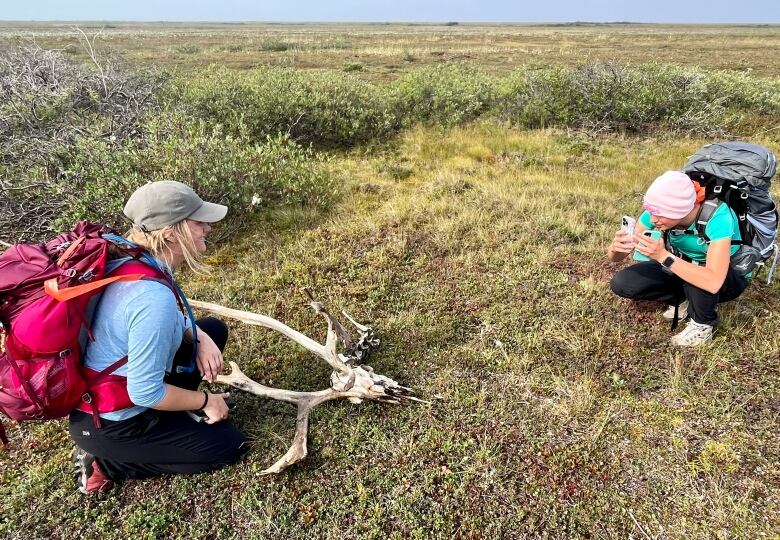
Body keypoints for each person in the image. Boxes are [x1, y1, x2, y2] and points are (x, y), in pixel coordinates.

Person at [69, 180, 247, 494]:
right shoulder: (151, 298)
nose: (207, 227)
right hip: (114, 423)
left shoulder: (129, 258)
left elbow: (153, 320)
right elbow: (145, 393)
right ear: (169, 233)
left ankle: (175, 413)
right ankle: (105, 463)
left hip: (106, 392)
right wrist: (207, 400)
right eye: (198, 222)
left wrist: (200, 336)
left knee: (212, 330)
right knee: (228, 445)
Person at [608, 170, 749, 347]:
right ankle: (682, 300)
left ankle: (703, 324)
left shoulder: (718, 217)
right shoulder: (658, 212)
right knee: (623, 282)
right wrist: (616, 249)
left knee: (698, 274)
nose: (653, 219)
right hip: (682, 263)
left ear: (681, 210)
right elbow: (617, 256)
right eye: (650, 211)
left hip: (723, 278)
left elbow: (713, 280)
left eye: (659, 214)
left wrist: (663, 256)